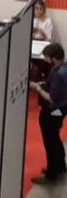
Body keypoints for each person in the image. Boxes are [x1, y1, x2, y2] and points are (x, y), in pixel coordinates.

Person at [32, 42, 67, 184]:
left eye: (47, 57)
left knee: (50, 140)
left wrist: (37, 88)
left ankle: (51, 173)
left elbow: (51, 97)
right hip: (61, 109)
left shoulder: (58, 74)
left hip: (53, 111)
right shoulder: (62, 69)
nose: (45, 60)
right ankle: (60, 166)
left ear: (54, 58)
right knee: (55, 138)